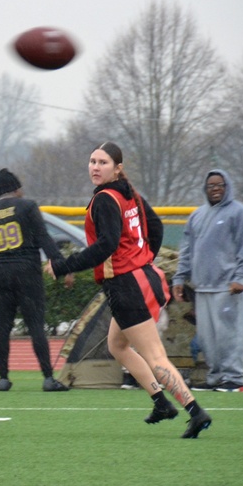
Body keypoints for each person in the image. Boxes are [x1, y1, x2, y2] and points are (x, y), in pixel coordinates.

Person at [45, 141, 212, 439]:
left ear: (117, 168)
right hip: (145, 278)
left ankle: (195, 411)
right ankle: (161, 403)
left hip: (127, 286)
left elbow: (105, 246)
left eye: (103, 162)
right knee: (117, 346)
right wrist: (142, 260)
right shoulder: (129, 193)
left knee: (155, 356)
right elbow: (156, 228)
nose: (95, 167)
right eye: (92, 161)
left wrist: (63, 265)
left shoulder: (105, 199)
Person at [0, 168, 71, 392]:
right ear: (16, 189)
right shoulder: (27, 207)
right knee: (35, 324)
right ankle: (47, 377)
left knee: (2, 327)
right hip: (27, 271)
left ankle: (3, 378)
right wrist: (63, 267)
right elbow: (44, 239)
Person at [171, 169, 243, 393]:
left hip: (229, 288)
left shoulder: (241, 213)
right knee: (208, 339)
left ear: (228, 186)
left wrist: (241, 278)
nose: (215, 189)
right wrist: (179, 278)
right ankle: (216, 378)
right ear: (205, 189)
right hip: (203, 288)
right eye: (211, 186)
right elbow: (186, 251)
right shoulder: (197, 215)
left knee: (230, 335)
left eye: (220, 185)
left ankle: (235, 380)